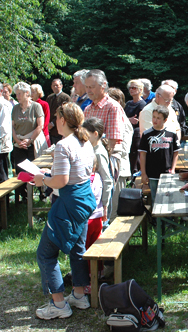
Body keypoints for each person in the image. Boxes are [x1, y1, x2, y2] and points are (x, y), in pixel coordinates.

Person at [33, 102, 96, 319]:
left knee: (46, 253)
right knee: (78, 250)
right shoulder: (84, 141)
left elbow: (61, 181)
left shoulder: (63, 145)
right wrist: (51, 172)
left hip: (68, 204)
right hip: (84, 200)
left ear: (62, 120)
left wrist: (43, 179)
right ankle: (79, 295)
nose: (54, 123)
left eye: (56, 118)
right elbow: (81, 171)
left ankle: (58, 305)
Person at [83, 69, 131, 221]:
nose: (88, 90)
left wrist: (97, 160)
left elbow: (112, 141)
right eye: (87, 87)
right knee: (96, 204)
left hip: (110, 161)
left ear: (103, 86)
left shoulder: (113, 107)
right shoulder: (88, 108)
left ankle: (109, 239)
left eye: (92, 87)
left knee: (111, 206)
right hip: (93, 162)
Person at [11, 82, 45, 201]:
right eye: (16, 94)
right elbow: (12, 127)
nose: (18, 96)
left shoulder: (36, 106)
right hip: (18, 143)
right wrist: (18, 141)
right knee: (21, 170)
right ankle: (23, 196)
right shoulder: (15, 108)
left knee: (35, 168)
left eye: (19, 94)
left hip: (33, 142)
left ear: (27, 93)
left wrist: (29, 140)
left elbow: (40, 126)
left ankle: (42, 194)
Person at [139, 105, 180, 198]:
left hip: (167, 172)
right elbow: (142, 154)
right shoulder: (146, 134)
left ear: (165, 120)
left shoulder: (172, 133)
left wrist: (173, 169)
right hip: (152, 172)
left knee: (166, 197)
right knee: (154, 197)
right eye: (154, 117)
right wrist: (143, 173)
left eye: (158, 118)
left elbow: (175, 152)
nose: (155, 120)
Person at [83, 117, 113, 221]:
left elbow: (107, 181)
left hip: (99, 204)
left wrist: (105, 205)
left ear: (95, 134)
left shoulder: (99, 153)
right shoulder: (91, 148)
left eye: (86, 134)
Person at [124, 79, 146, 173]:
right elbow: (122, 117)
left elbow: (140, 120)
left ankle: (134, 173)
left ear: (140, 90)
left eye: (134, 87)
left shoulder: (142, 104)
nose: (131, 90)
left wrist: (130, 120)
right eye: (130, 88)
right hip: (126, 131)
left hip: (136, 133)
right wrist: (129, 120)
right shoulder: (128, 104)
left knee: (135, 154)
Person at [47, 78, 72, 146]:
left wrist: (53, 123)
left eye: (57, 85)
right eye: (53, 85)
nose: (55, 87)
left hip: (60, 129)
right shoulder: (50, 98)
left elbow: (65, 113)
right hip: (49, 130)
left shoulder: (66, 98)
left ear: (61, 86)